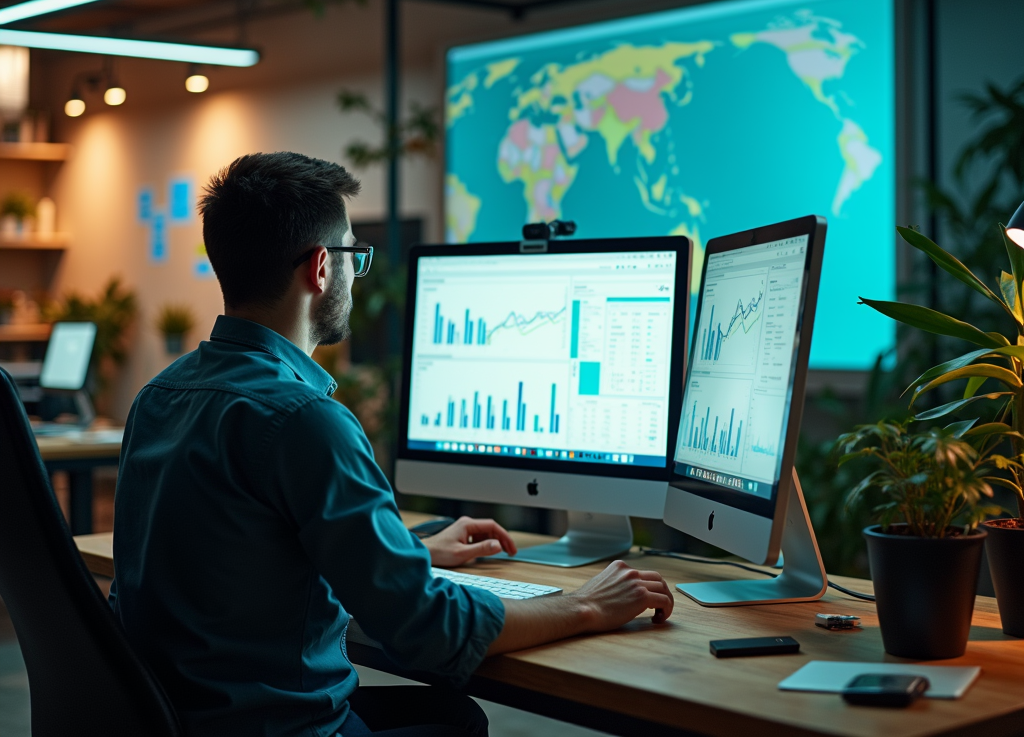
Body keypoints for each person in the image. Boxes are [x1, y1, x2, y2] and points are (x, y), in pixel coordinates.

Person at [108, 151, 675, 737]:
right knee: (457, 723)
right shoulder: (304, 419)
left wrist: (411, 553)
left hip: (186, 719)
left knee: (447, 717)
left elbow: (239, 553)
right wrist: (585, 604)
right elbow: (428, 630)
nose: (358, 273)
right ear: (322, 268)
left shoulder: (158, 396)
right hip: (285, 727)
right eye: (355, 255)